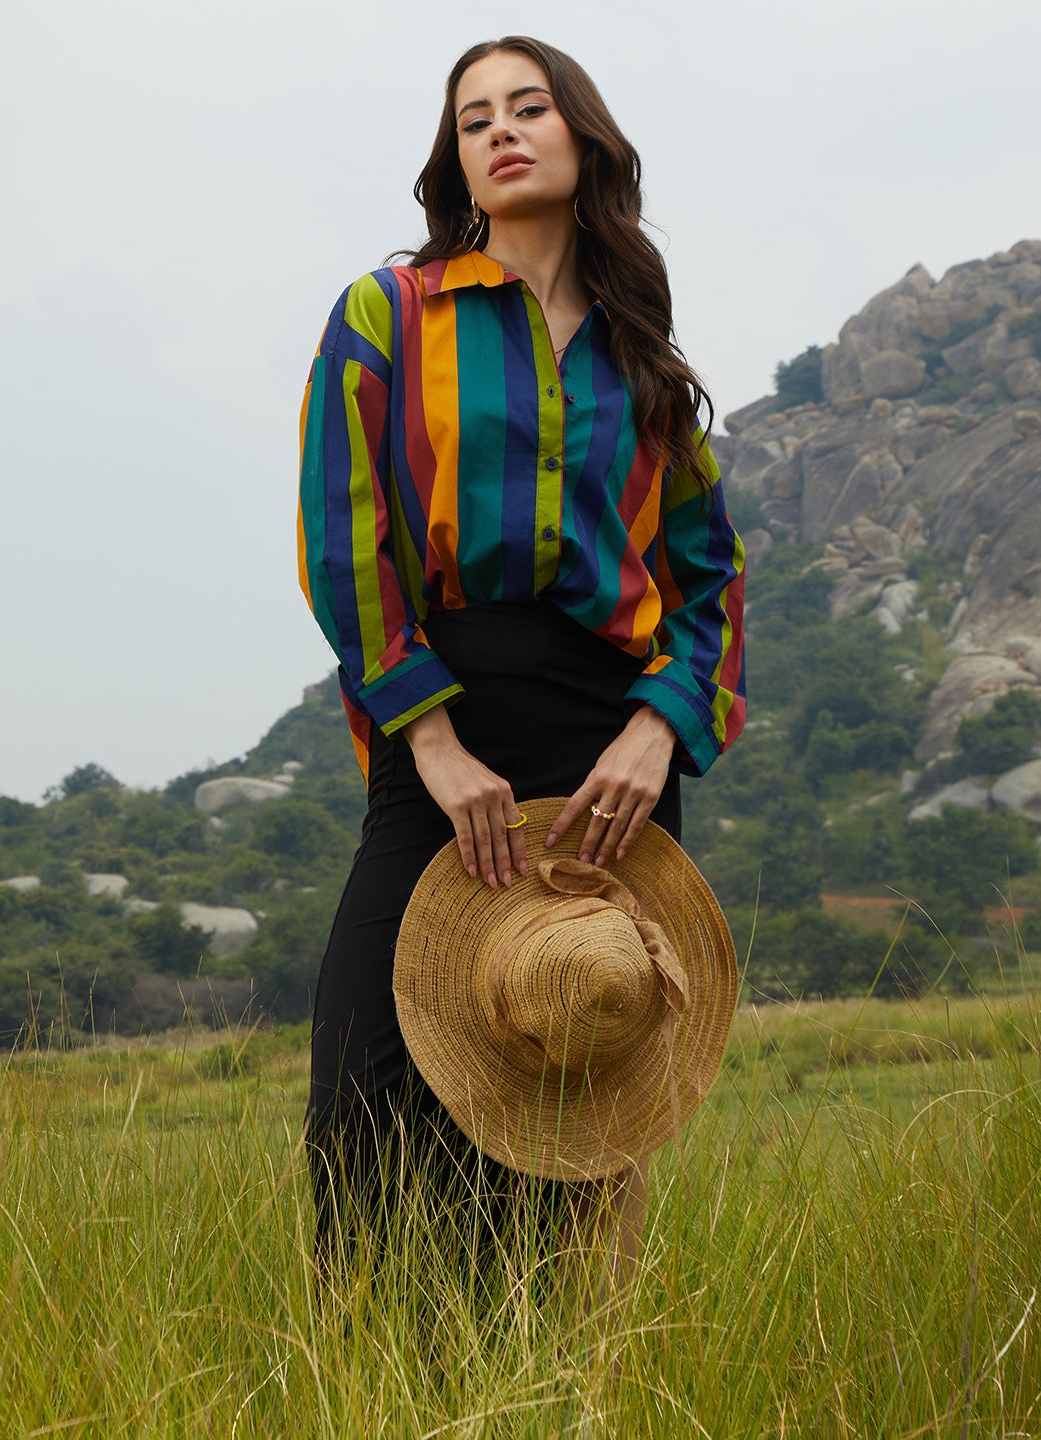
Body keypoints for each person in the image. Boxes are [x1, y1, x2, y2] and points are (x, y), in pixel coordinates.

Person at [297, 35, 745, 1272]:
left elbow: (711, 577)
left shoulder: (643, 359)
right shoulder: (389, 313)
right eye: (474, 117)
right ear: (457, 160)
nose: (500, 129)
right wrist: (431, 742)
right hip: (446, 724)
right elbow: (346, 535)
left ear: (580, 135)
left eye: (528, 106)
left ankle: (562, 1382)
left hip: (613, 752)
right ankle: (382, 1375)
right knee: (366, 1090)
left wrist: (658, 735)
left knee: (573, 1099)